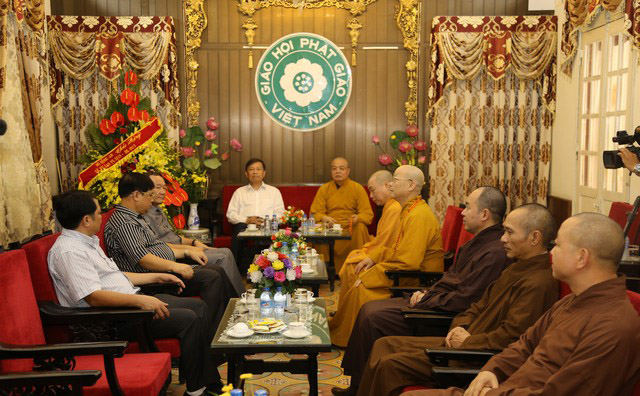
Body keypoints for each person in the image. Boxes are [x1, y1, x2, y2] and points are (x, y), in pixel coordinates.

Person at [405, 213, 640, 396]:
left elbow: (562, 393)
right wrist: (492, 369)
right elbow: (525, 344)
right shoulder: (572, 300)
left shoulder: (613, 326)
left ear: (581, 257)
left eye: (557, 246)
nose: (551, 253)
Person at [345, 203, 559, 396]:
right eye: (504, 231)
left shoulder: (538, 283)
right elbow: (477, 305)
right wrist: (459, 326)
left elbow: (511, 336)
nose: (502, 238)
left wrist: (467, 341)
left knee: (389, 363)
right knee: (384, 344)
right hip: (462, 340)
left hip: (474, 355)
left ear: (534, 238)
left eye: (509, 232)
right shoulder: (516, 267)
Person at [334, 186, 511, 394]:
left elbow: (466, 299)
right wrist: (428, 294)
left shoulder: (494, 253)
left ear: (484, 214)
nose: (462, 212)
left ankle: (358, 387)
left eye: (467, 207)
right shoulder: (477, 243)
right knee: (368, 309)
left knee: (373, 316)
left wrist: (428, 300)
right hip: (434, 300)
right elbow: (451, 280)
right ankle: (357, 384)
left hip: (442, 313)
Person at [49, 190, 223, 396]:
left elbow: (113, 276)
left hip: (130, 301)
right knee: (189, 318)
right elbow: (94, 296)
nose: (101, 217)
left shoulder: (87, 241)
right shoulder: (70, 251)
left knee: (199, 306)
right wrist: (140, 300)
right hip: (114, 319)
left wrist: (157, 276)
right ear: (86, 220)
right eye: (98, 213)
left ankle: (205, 381)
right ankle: (196, 391)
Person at [329, 165, 444, 348]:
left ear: (411, 185)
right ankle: (347, 335)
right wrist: (374, 258)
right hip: (404, 271)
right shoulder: (409, 210)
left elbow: (408, 262)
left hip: (416, 279)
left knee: (362, 286)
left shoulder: (418, 215)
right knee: (360, 276)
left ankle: (353, 342)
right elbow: (395, 248)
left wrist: (370, 276)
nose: (390, 185)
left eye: (395, 181)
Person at [104, 172, 235, 329]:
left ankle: (231, 320)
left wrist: (186, 251)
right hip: (151, 279)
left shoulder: (136, 217)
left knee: (216, 271)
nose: (151, 200)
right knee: (211, 276)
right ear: (136, 195)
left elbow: (157, 245)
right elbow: (143, 259)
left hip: (162, 269)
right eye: (149, 195)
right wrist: (175, 266)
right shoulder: (125, 223)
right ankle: (219, 329)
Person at [330, 170, 402, 345]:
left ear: (387, 185)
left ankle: (349, 329)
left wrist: (370, 254)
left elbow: (389, 243)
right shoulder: (390, 206)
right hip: (384, 254)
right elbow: (384, 240)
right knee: (352, 260)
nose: (371, 196)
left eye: (372, 190)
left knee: (353, 268)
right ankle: (344, 314)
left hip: (397, 267)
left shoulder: (396, 208)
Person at [144, 172, 245, 295]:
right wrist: (189, 249)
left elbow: (175, 237)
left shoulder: (159, 210)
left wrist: (194, 242)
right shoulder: (144, 214)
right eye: (158, 187)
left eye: (164, 188)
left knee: (226, 251)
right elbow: (159, 245)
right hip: (175, 255)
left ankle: (239, 296)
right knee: (222, 257)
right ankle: (236, 299)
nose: (163, 191)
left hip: (182, 248)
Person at [310, 157, 374, 271]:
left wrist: (358, 218)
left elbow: (367, 214)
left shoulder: (357, 188)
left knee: (361, 227)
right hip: (330, 228)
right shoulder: (324, 189)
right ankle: (324, 270)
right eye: (334, 168)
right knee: (318, 228)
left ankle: (356, 267)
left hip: (350, 227)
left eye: (341, 168)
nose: (337, 171)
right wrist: (324, 218)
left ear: (348, 171)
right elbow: (315, 213)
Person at [226, 158, 285, 265]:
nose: (255, 172)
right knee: (239, 230)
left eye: (258, 169)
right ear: (246, 173)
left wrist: (266, 221)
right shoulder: (239, 192)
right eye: (251, 169)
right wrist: (247, 220)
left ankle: (273, 270)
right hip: (245, 226)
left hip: (268, 226)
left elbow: (281, 214)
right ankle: (234, 270)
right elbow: (231, 214)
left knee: (276, 232)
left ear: (264, 173)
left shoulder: (274, 192)